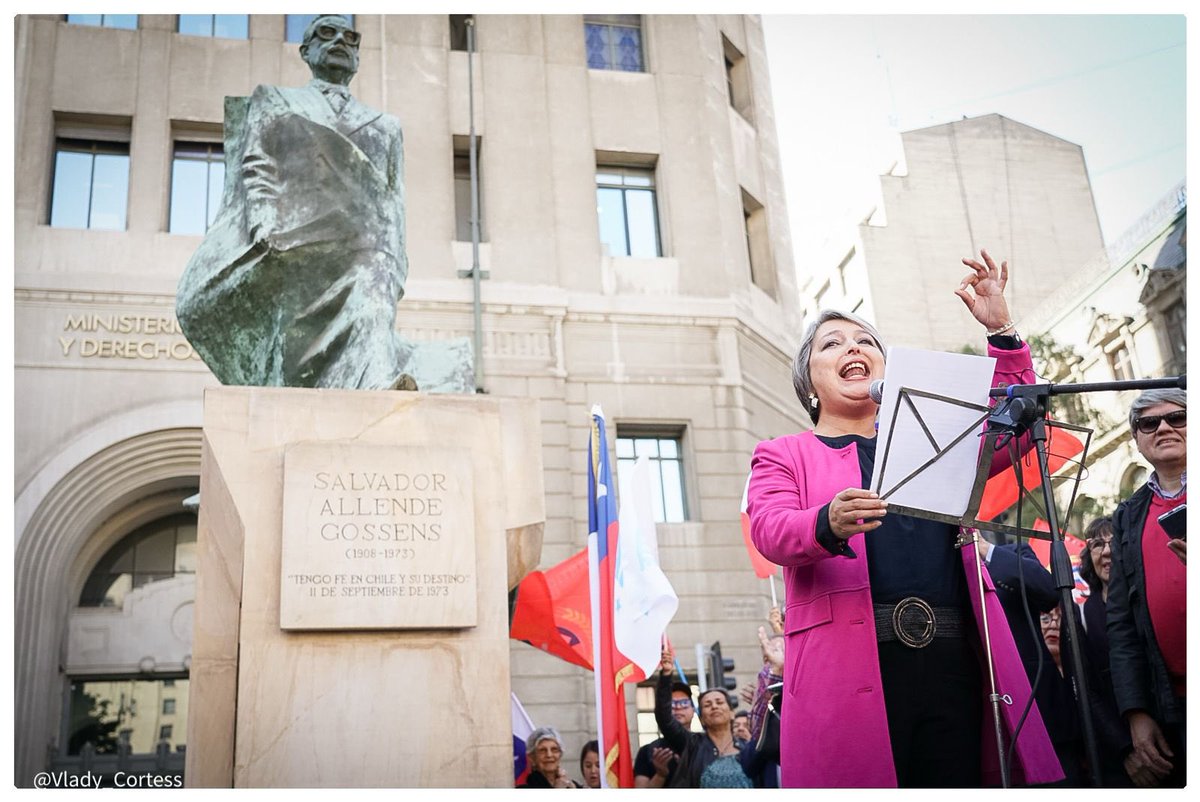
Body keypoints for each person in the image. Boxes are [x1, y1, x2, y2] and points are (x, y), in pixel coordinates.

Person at [747, 250, 1061, 788]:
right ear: (809, 382)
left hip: (954, 662)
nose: (853, 347)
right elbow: (769, 529)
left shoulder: (929, 434)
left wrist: (1003, 334)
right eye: (832, 344)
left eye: (866, 341)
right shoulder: (783, 453)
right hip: (849, 672)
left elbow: (1015, 429)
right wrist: (826, 522)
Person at [176, 14, 415, 390]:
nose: (340, 41)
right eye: (326, 32)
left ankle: (377, 383)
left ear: (357, 57)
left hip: (362, 246)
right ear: (306, 51)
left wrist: (395, 262)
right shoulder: (275, 100)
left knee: (374, 296)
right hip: (296, 237)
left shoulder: (385, 125)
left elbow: (392, 201)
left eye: (350, 37)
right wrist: (264, 224)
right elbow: (257, 164)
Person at [1106, 388, 1187, 787]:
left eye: (1178, 418)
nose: (1164, 428)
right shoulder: (1127, 515)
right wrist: (1135, 712)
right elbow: (1121, 624)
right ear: (1136, 439)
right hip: (1171, 704)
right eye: (1149, 423)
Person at [1077, 518, 1135, 785]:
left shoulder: (1144, 604)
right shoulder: (1080, 615)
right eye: (1098, 544)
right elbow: (1086, 691)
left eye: (1113, 543)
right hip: (1116, 755)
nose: (1107, 552)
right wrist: (1125, 749)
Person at [655, 647, 755, 787]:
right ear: (701, 718)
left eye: (719, 702)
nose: (714, 706)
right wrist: (666, 675)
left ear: (732, 713)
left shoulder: (748, 749)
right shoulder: (692, 744)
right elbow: (665, 719)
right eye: (707, 705)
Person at [633, 680, 694, 787]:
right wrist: (661, 774)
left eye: (684, 703)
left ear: (693, 710)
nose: (678, 707)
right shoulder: (647, 751)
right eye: (672, 703)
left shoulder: (704, 745)